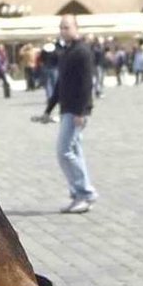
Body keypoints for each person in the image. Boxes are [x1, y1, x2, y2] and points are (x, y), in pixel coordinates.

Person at [43, 14, 97, 213]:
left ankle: (85, 193)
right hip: (67, 108)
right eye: (61, 27)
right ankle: (78, 194)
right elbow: (60, 84)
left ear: (76, 28)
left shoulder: (82, 51)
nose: (63, 30)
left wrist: (83, 111)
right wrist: (49, 108)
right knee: (74, 151)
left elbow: (87, 83)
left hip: (76, 110)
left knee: (64, 151)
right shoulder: (66, 52)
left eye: (67, 27)